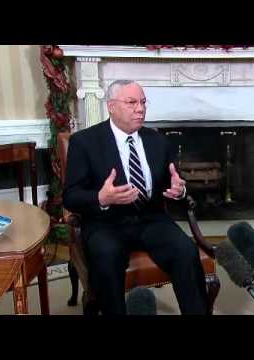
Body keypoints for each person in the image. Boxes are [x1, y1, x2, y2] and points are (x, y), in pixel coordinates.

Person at [63, 80, 209, 315]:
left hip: (151, 219)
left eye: (142, 102)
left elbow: (173, 182)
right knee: (107, 257)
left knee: (185, 251)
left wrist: (179, 191)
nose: (140, 108)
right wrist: (101, 198)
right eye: (131, 102)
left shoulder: (157, 140)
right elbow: (70, 197)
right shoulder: (85, 142)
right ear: (111, 106)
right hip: (106, 224)